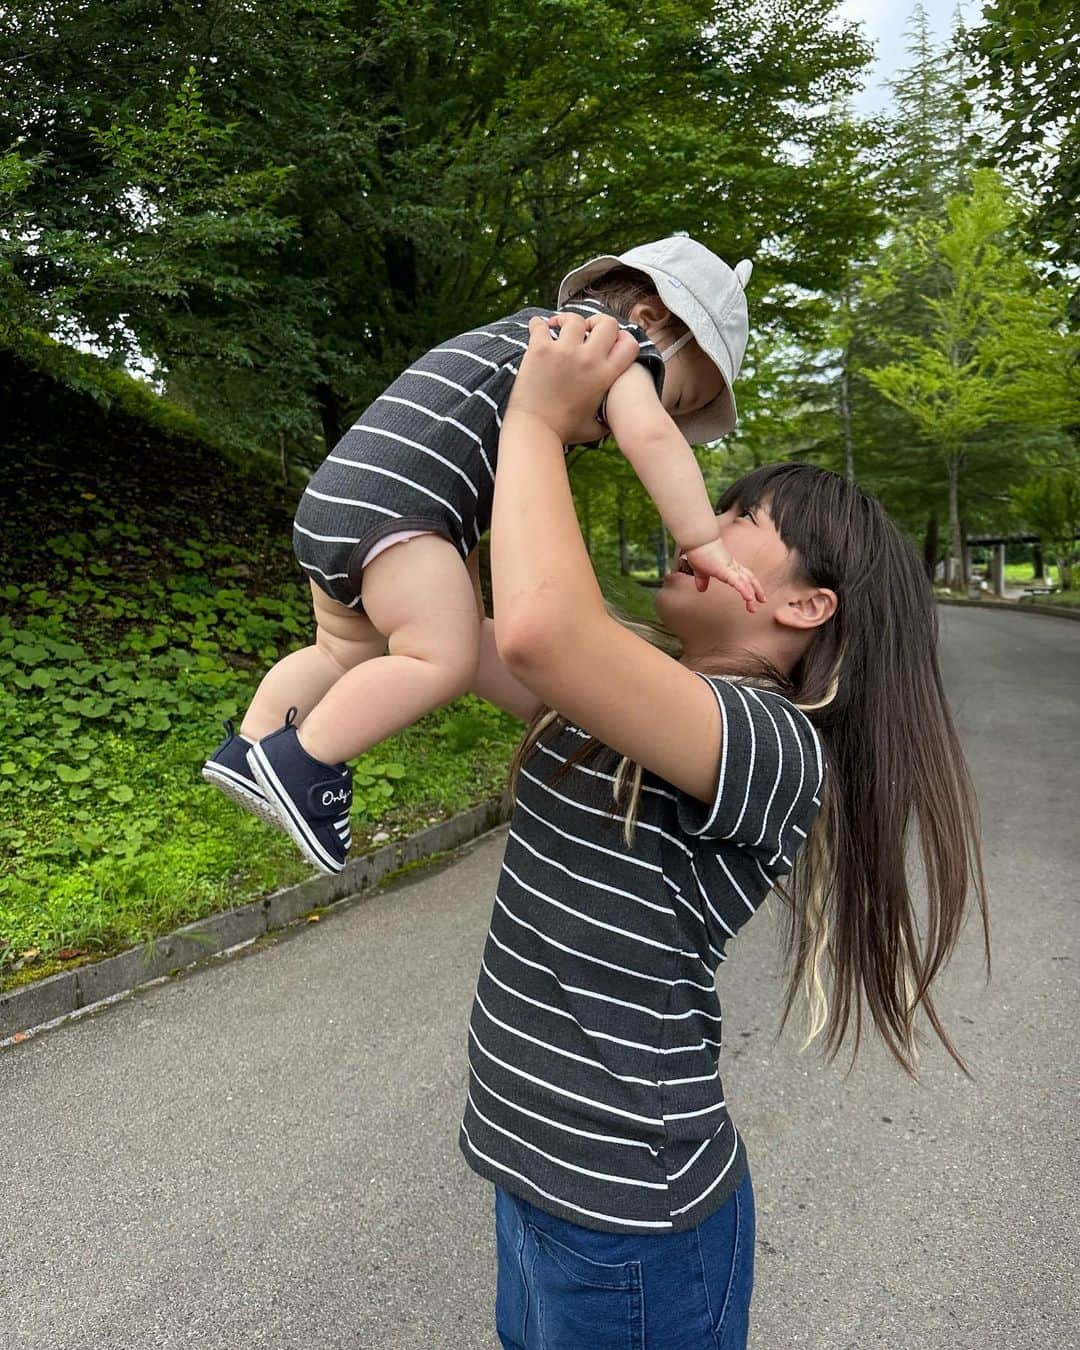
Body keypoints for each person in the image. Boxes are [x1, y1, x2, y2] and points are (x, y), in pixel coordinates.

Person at [458, 311, 988, 1349]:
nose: (697, 510)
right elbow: (450, 629)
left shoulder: (772, 742)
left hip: (630, 1223)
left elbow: (535, 630)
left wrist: (535, 417)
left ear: (805, 606)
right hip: (537, 1184)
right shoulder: (638, 691)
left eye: (743, 515)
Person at [202, 236, 764, 875]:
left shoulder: (519, 330)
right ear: (653, 318)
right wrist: (704, 540)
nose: (667, 405)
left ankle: (249, 746)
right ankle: (304, 762)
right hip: (404, 512)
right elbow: (653, 438)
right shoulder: (608, 345)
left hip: (335, 497)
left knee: (342, 651)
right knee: (440, 658)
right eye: (683, 395)